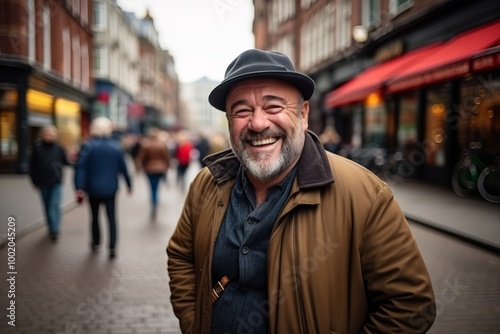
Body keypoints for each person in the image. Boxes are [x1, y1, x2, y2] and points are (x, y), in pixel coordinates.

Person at [166, 49, 436, 333]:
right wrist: (194, 321)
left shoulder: (366, 196)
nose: (258, 124)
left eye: (273, 107)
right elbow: (181, 256)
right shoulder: (206, 184)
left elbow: (410, 304)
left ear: (304, 114)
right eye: (242, 110)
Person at [74, 117, 132, 259]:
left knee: (94, 217)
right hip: (111, 189)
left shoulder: (88, 146)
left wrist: (79, 187)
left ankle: (96, 242)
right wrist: (129, 184)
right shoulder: (116, 146)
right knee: (111, 217)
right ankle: (112, 247)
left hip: (93, 189)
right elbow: (123, 168)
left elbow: (81, 169)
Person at [28, 125, 70, 242]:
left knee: (54, 205)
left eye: (52, 133)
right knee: (47, 206)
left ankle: (54, 229)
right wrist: (34, 181)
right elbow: (32, 166)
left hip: (56, 182)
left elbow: (66, 161)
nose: (49, 135)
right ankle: (50, 225)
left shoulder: (59, 148)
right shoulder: (37, 148)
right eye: (47, 133)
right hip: (42, 182)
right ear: (42, 135)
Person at [135, 127, 170, 219]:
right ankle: (155, 203)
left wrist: (140, 167)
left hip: (149, 169)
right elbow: (166, 157)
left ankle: (153, 203)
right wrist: (166, 167)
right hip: (159, 169)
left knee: (152, 188)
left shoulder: (146, 145)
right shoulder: (161, 145)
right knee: (156, 187)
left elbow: (141, 157)